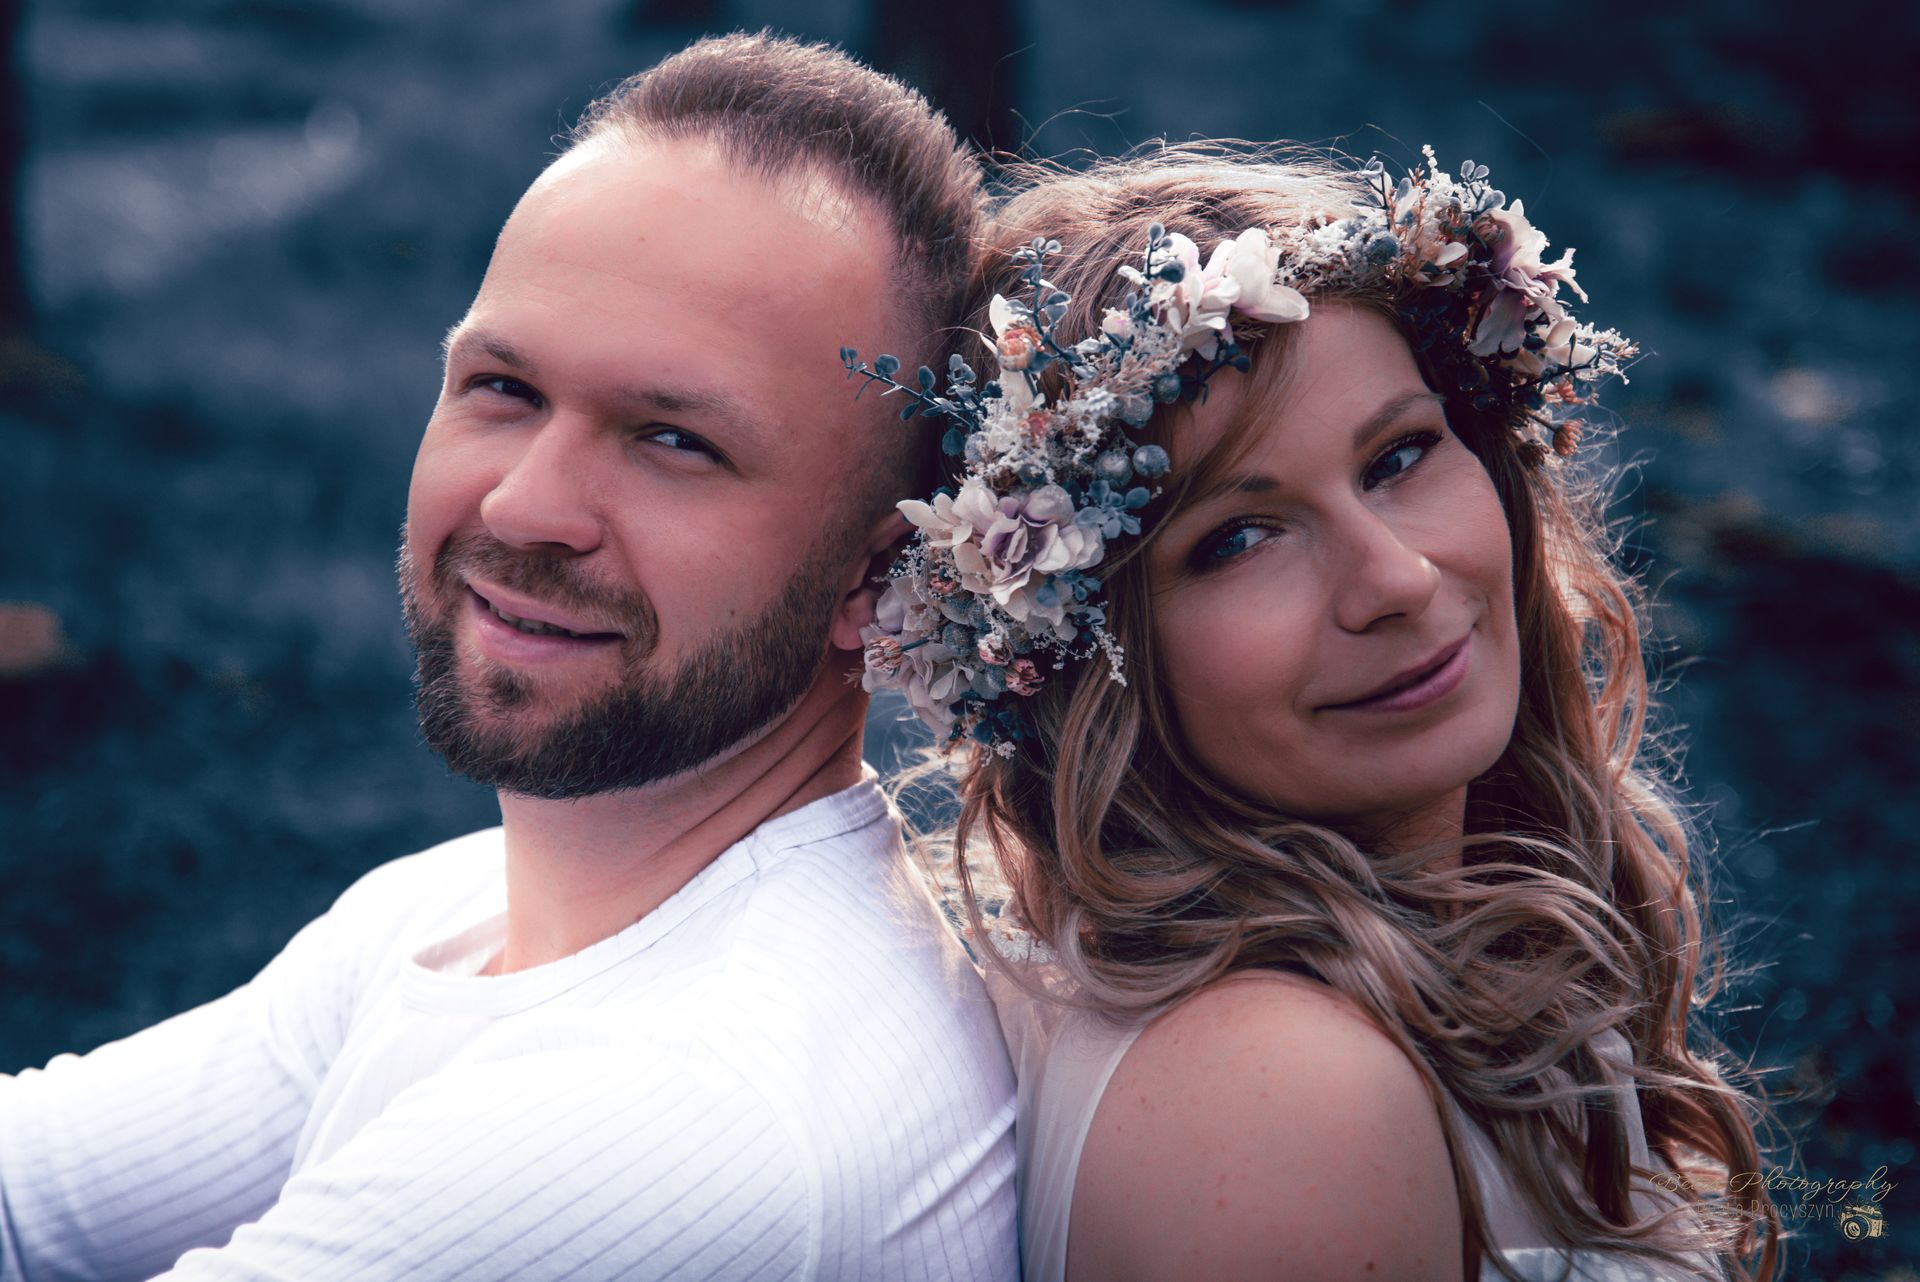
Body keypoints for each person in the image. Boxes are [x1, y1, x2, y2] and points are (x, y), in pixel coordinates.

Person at [0, 34, 1017, 1282]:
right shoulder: (466, 908)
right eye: (504, 388)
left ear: (879, 574)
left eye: (674, 440)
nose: (524, 505)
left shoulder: (684, 1110)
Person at [850, 146, 1784, 1281]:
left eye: (1399, 456)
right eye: (1238, 539)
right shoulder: (1285, 1110)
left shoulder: (1427, 952)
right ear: (1083, 657)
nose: (1396, 578)